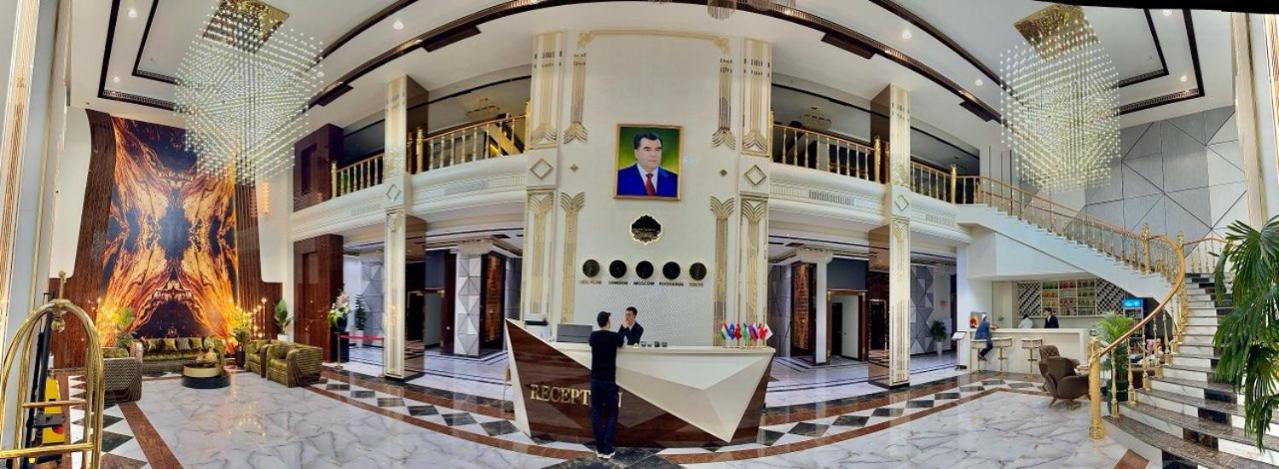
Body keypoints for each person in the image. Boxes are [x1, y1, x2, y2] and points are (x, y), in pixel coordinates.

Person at [589, 311, 624, 459]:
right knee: (611, 413)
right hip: (609, 381)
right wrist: (623, 327)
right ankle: (608, 449)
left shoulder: (593, 336)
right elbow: (621, 341)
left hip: (595, 380)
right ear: (608, 322)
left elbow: (591, 343)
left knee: (596, 413)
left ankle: (599, 448)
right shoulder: (613, 337)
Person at [616, 132, 678, 198]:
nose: (653, 154)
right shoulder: (619, 178)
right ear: (636, 153)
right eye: (647, 150)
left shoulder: (675, 179)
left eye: (657, 150)